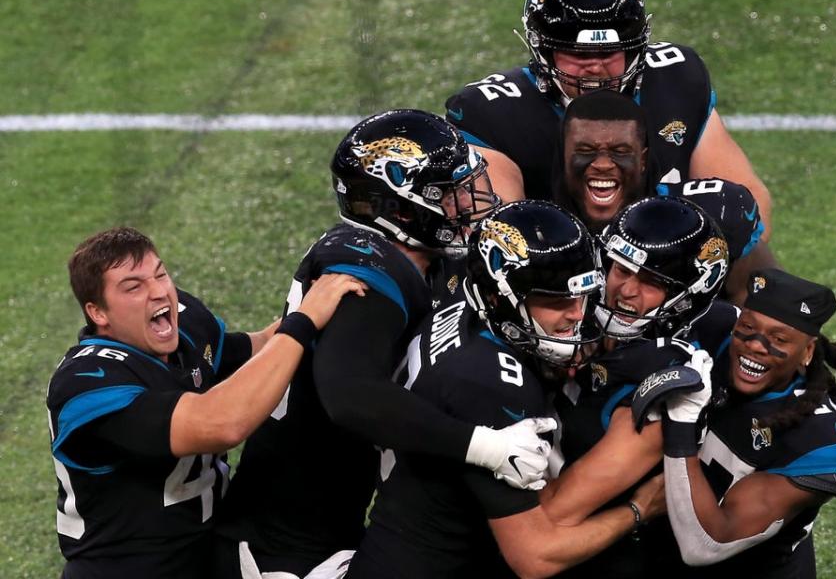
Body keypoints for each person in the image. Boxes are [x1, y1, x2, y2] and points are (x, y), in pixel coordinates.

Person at [215, 110, 557, 578]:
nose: (468, 200)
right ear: (400, 208)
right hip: (284, 554)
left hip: (314, 524)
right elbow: (350, 396)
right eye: (448, 192)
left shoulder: (397, 257)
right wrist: (485, 447)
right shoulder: (368, 278)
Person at [346, 200, 658, 579]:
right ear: (499, 298)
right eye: (555, 299)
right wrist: (639, 509)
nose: (578, 314)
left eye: (581, 296)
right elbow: (534, 556)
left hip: (398, 536)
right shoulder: (492, 385)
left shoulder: (465, 306)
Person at [46, 226, 366, 579]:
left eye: (160, 275)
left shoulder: (184, 328)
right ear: (98, 312)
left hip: (212, 553)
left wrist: (337, 315)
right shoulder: (86, 384)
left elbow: (252, 349)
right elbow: (223, 423)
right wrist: (304, 320)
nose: (159, 293)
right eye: (134, 287)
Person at [445, 0, 772, 239]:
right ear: (543, 49)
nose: (596, 69)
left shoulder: (675, 77)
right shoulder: (493, 113)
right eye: (579, 55)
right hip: (559, 292)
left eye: (609, 52)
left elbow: (748, 206)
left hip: (674, 279)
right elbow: (505, 244)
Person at [660, 268, 836, 577]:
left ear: (807, 352)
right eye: (747, 327)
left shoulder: (822, 441)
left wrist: (681, 423)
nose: (756, 345)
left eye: (779, 338)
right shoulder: (716, 332)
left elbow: (704, 544)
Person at [543, 195, 738, 576]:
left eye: (651, 281)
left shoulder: (665, 379)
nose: (626, 290)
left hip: (599, 557)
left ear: (687, 299)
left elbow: (553, 515)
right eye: (621, 269)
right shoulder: (579, 316)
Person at [554, 89, 774, 303]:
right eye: (585, 151)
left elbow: (769, 301)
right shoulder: (539, 224)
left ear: (643, 160)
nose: (602, 164)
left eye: (620, 152)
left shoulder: (694, 219)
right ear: (563, 157)